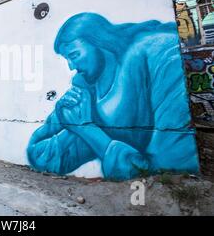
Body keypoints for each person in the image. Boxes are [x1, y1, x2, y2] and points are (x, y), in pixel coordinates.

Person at [27, 13, 200, 180]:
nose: (71, 67)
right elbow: (41, 155)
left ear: (99, 42)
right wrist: (60, 116)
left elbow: (164, 173)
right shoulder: (87, 84)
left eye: (74, 55)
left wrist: (87, 130)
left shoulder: (159, 54)